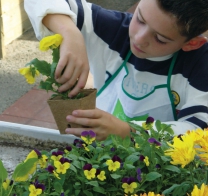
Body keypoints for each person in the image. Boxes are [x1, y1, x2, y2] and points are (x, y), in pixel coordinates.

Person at [24, 0, 208, 140]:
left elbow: (199, 131)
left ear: (192, 43)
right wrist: (69, 33)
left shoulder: (201, 66)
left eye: (160, 38)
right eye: (140, 19)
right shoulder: (112, 29)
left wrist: (128, 131)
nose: (139, 38)